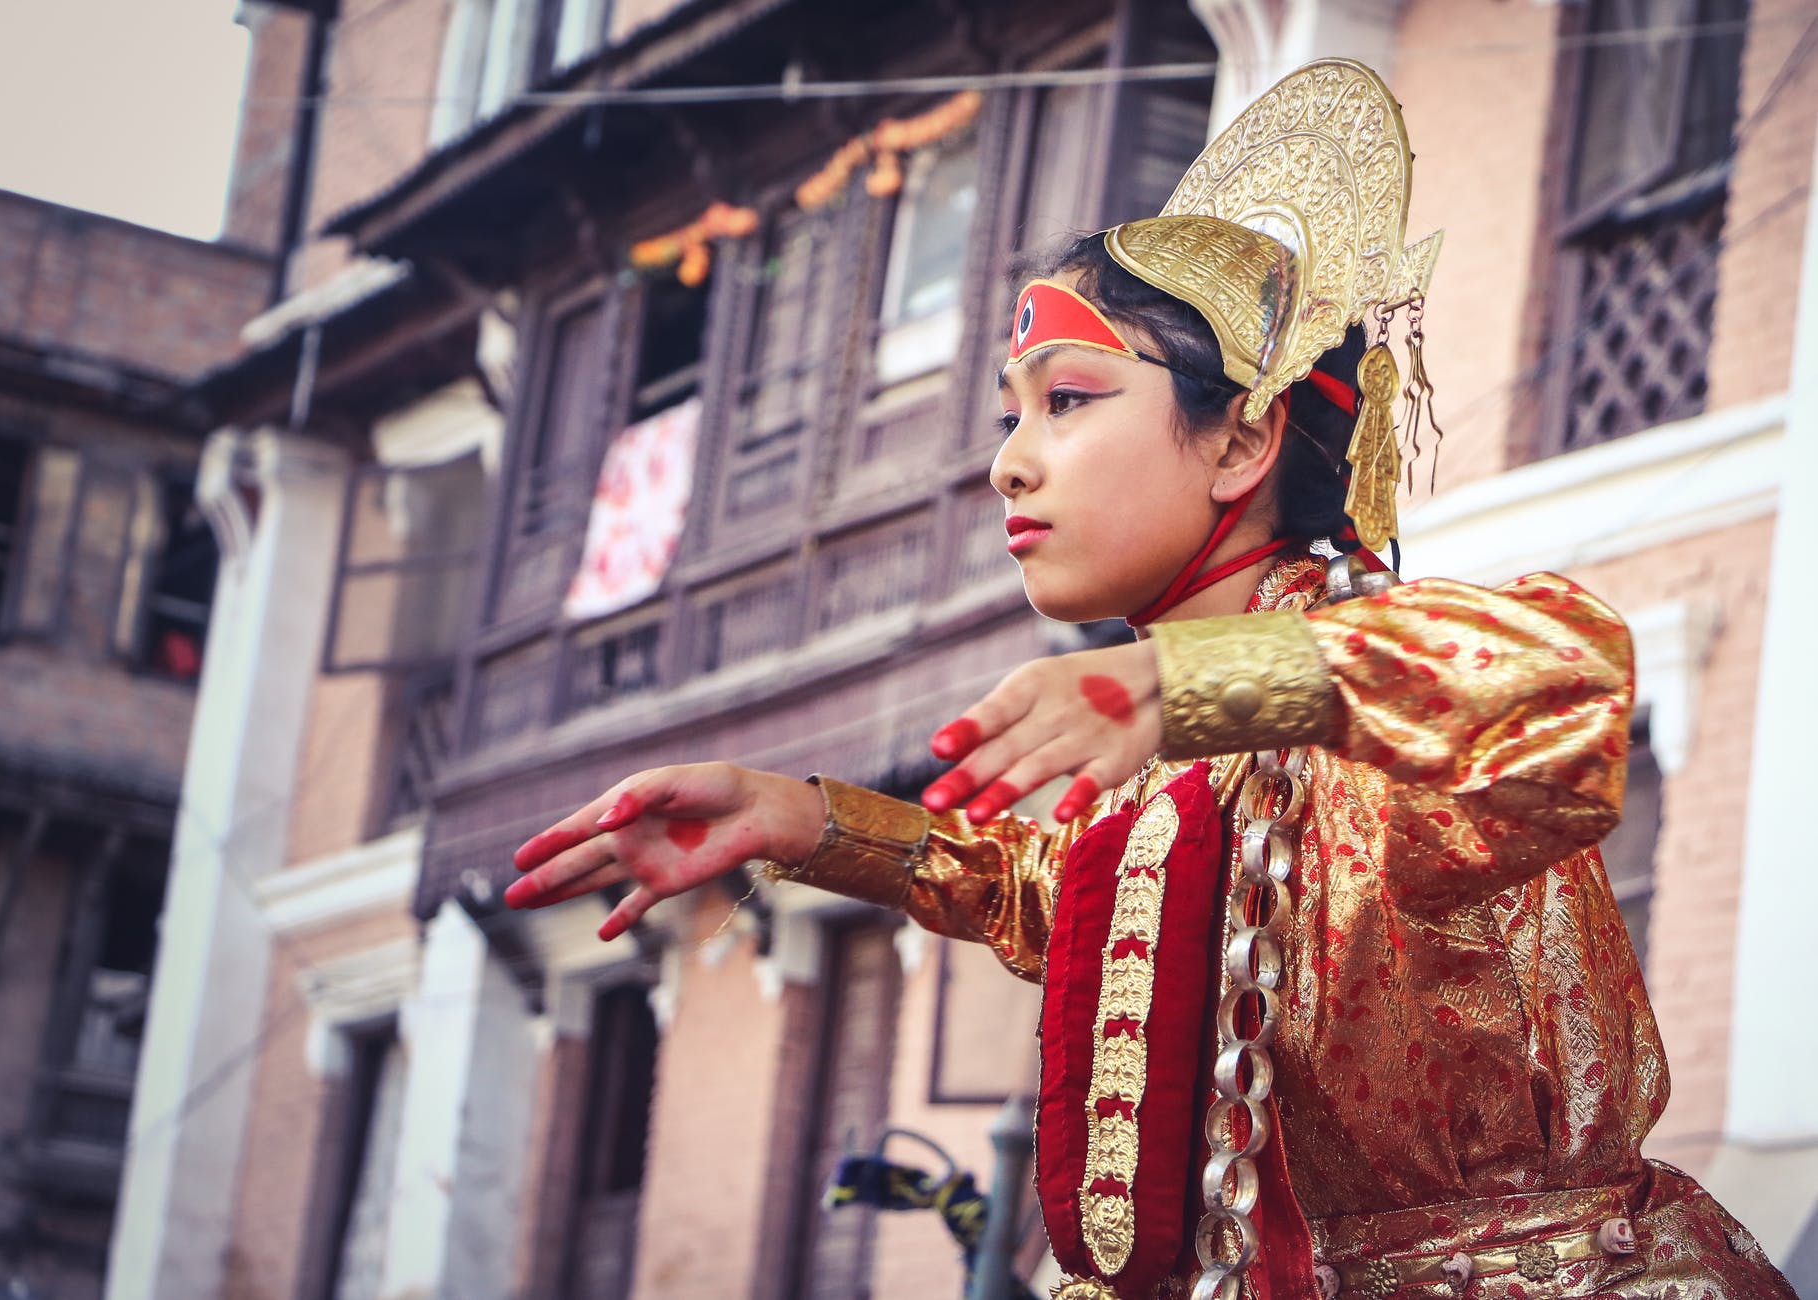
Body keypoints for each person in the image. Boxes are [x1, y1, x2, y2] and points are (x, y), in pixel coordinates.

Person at [504, 60, 1795, 1300]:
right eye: (1009, 417)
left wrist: (1187, 686)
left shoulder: (1359, 694)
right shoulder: (1184, 745)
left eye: (1067, 400)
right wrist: (808, 823)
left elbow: (1566, 683)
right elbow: (1087, 911)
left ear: (1241, 437)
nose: (1009, 465)